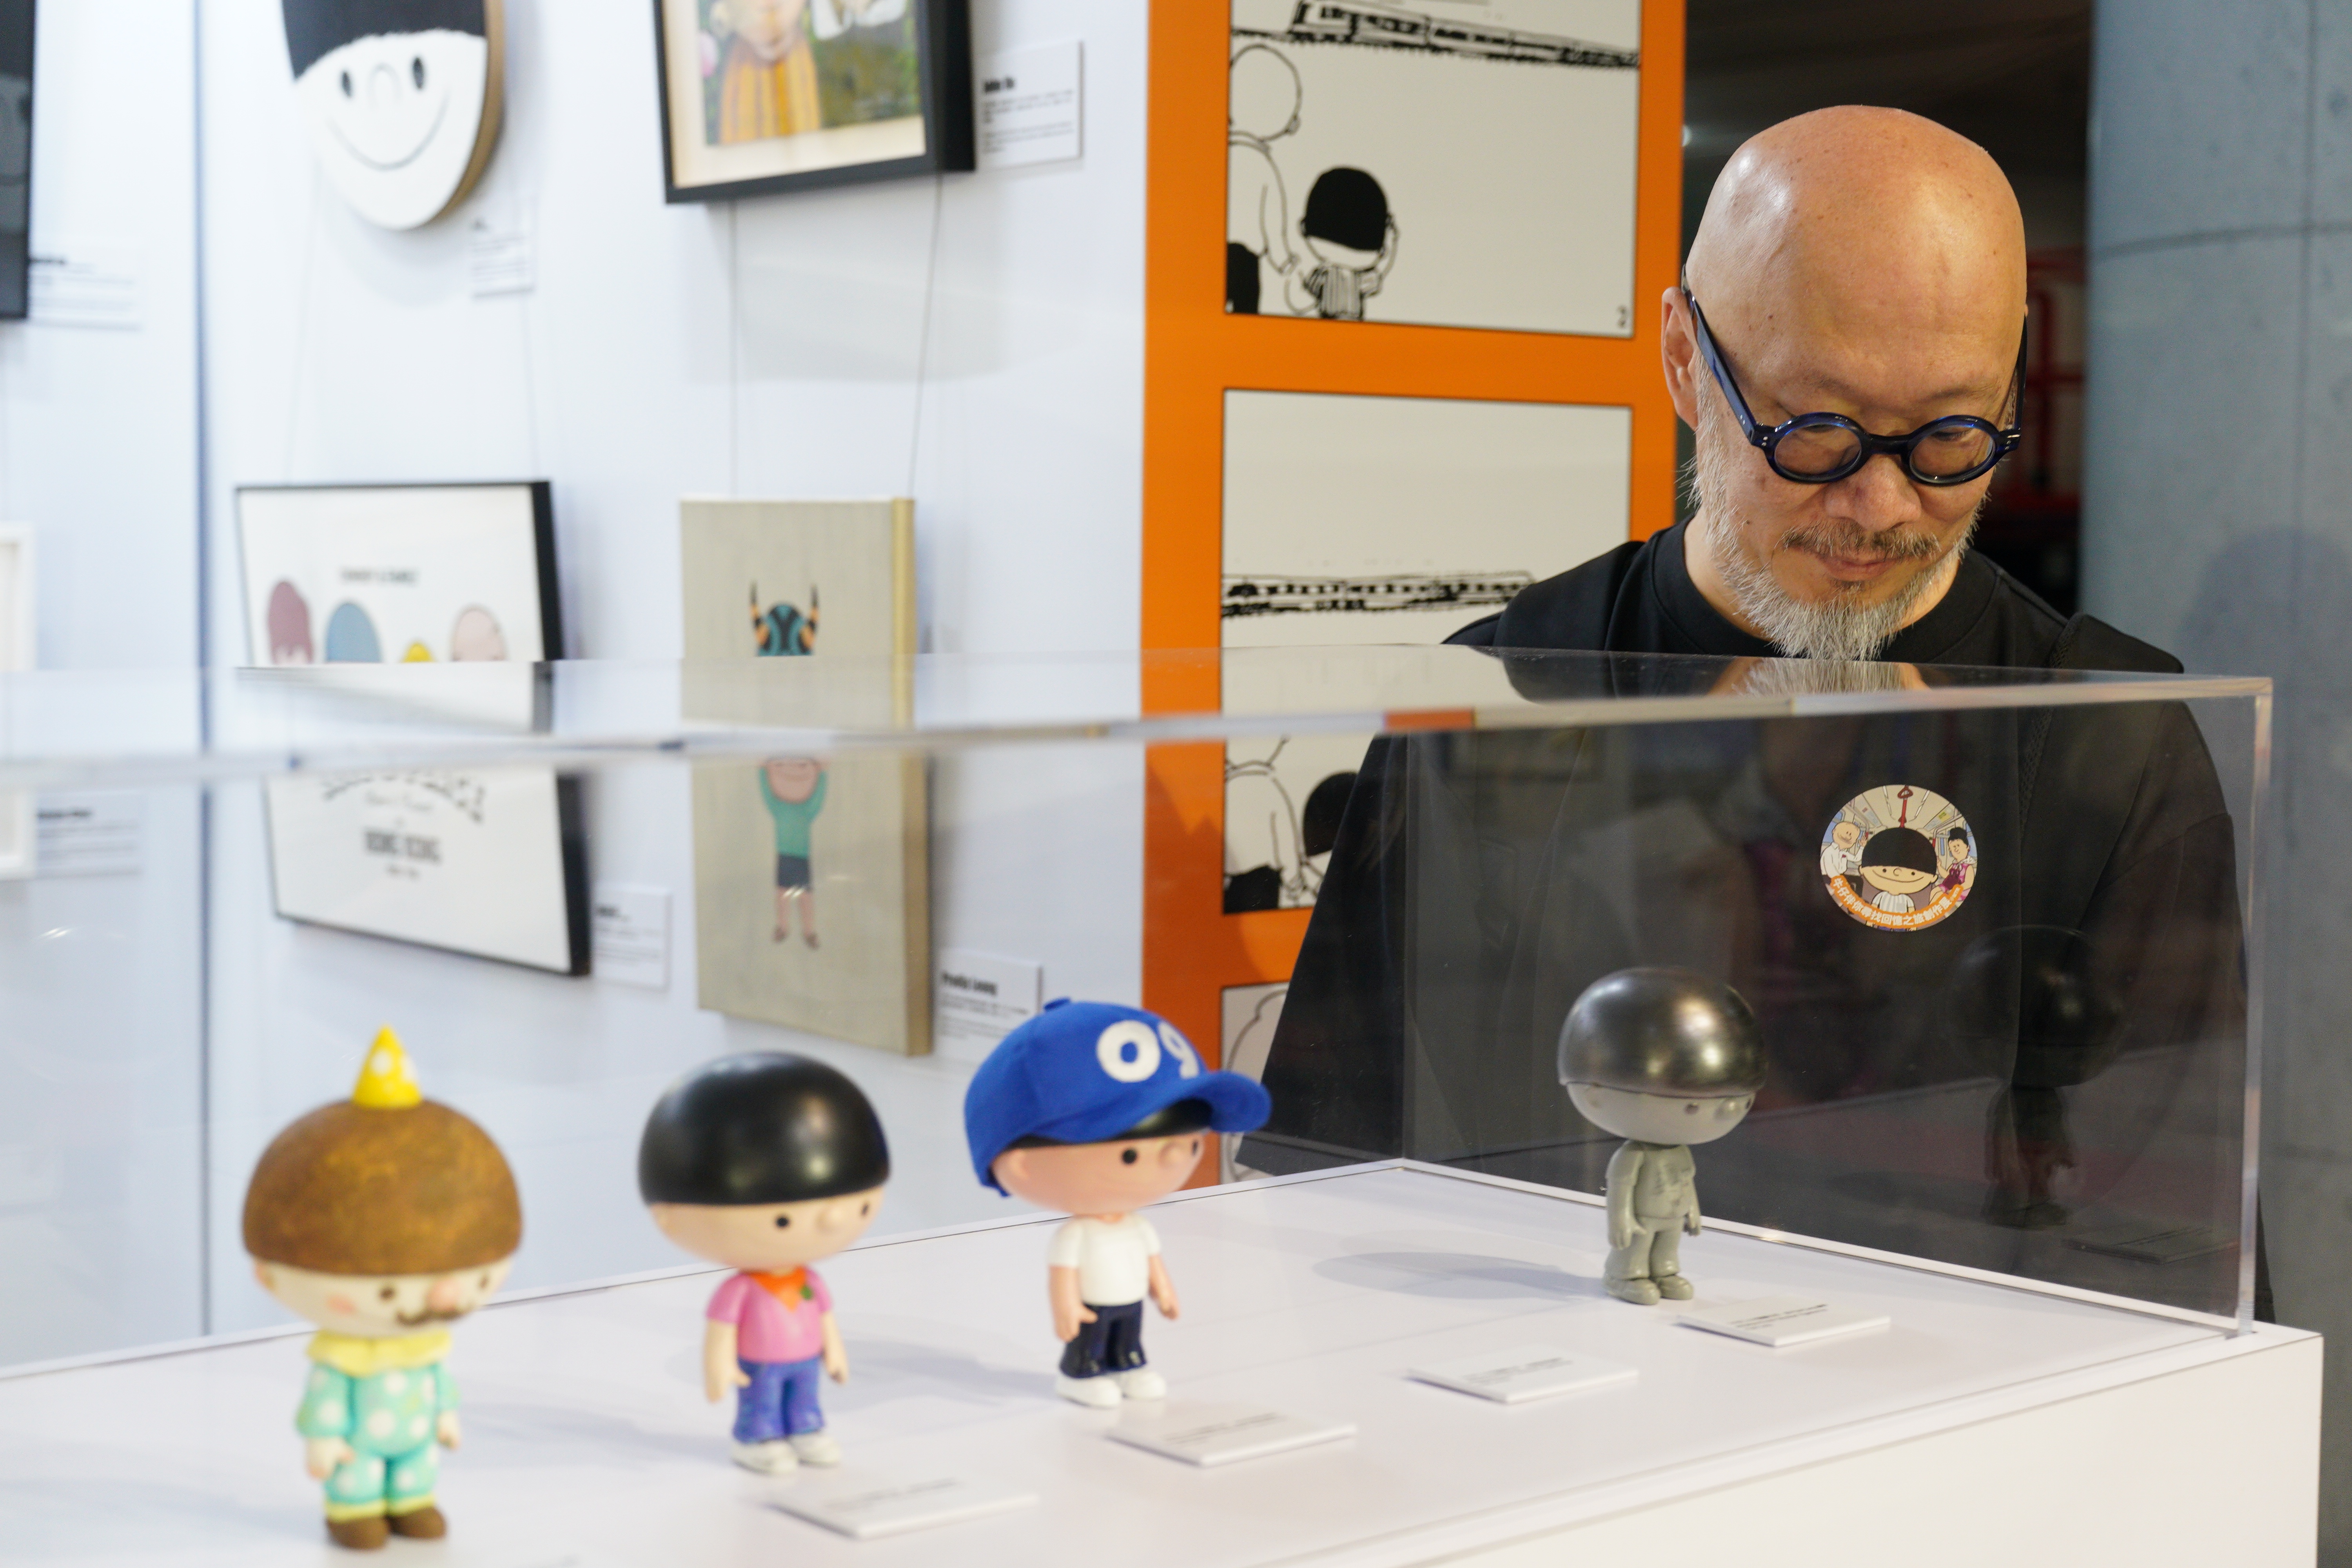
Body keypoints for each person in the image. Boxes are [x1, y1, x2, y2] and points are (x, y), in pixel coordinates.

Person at [1253, 107, 2259, 1316]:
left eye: (1951, 437)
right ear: (1684, 358)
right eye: (1815, 433)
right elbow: (1338, 1178)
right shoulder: (1497, 705)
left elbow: (2168, 1238)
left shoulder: (2103, 735)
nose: (1880, 506)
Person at [243, 1029, 521, 1551]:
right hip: (358, 1448)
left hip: (415, 1441)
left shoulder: (427, 1348)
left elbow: (438, 1384)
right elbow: (327, 1403)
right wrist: (324, 1442)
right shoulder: (340, 1359)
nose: (442, 1300)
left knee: (419, 1473)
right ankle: (354, 1510)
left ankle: (411, 1501)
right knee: (357, 1480)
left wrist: (446, 1417)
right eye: (388, 1293)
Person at [963, 1000, 1270, 1407]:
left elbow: (1153, 1262)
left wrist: (1163, 1290)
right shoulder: (1076, 1235)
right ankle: (1080, 1372)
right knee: (1089, 1342)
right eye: (1131, 1154)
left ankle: (1128, 1365)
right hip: (1092, 1305)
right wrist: (1066, 1308)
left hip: (1130, 1301)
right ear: (1021, 1165)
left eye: (1191, 1143)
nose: (1175, 1159)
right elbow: (1063, 1277)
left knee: (1129, 1338)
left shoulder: (1137, 1227)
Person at [638, 1053, 890, 1473]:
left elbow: (825, 1318)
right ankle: (756, 1438)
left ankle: (806, 1430)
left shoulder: (810, 1280)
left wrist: (835, 1351)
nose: (832, 1221)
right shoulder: (739, 1290)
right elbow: (721, 1332)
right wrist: (718, 1367)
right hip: (760, 1362)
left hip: (806, 1359)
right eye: (783, 1220)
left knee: (805, 1397)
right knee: (763, 1401)